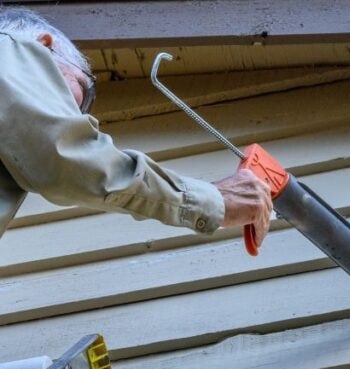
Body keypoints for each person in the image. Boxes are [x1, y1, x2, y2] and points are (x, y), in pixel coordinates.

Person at [0, 7, 272, 243]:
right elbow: (65, 156)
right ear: (45, 45)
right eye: (81, 87)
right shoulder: (9, 49)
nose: (74, 116)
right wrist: (212, 199)